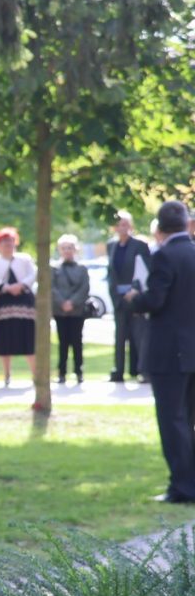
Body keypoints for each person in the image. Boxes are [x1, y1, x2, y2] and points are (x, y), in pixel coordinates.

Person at [124, 201, 195, 503]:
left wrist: (134, 299)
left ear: (160, 228)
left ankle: (181, 486)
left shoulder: (165, 255)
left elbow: (155, 300)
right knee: (189, 418)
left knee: (172, 420)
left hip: (171, 351)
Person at [0, 227, 37, 386]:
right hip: (2, 304)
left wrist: (21, 285)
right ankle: (6, 374)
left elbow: (33, 274)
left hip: (24, 304)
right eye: (4, 241)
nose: (8, 244)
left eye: (11, 241)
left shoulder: (25, 259)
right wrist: (6, 287)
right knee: (4, 340)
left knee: (28, 338)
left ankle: (35, 374)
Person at [107, 210, 152, 382]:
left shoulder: (139, 245)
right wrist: (116, 296)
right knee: (119, 336)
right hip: (119, 299)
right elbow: (111, 273)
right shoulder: (111, 246)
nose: (122, 228)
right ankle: (118, 370)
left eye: (125, 224)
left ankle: (143, 371)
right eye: (119, 224)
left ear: (130, 226)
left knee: (139, 335)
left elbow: (144, 271)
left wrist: (135, 292)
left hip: (135, 296)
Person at [51, 234, 90, 384]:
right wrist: (62, 303)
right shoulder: (54, 268)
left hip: (77, 311)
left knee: (77, 341)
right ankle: (61, 372)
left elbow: (84, 288)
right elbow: (52, 288)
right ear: (59, 250)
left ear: (75, 249)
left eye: (70, 248)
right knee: (62, 341)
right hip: (60, 311)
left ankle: (79, 371)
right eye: (64, 248)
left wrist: (72, 302)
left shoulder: (81, 269)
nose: (67, 251)